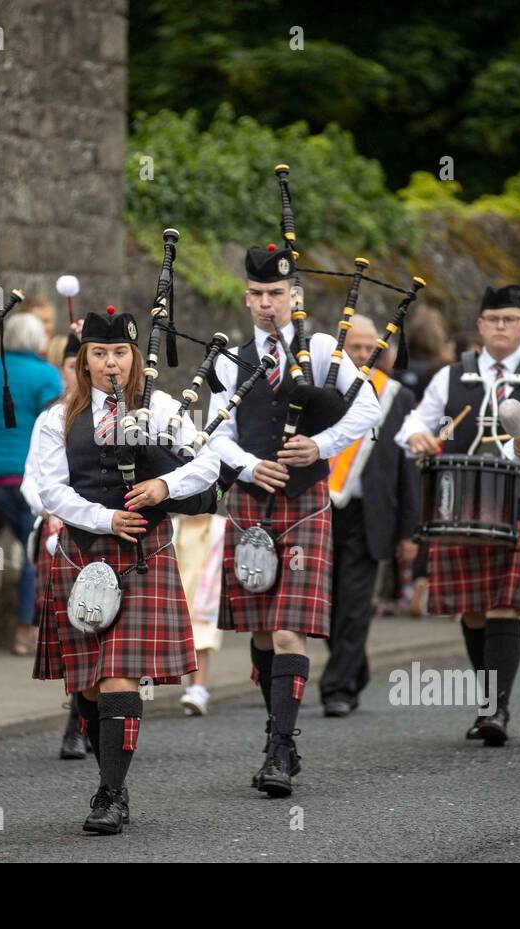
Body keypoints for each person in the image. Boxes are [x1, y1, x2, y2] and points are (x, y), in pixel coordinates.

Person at [31, 308, 220, 834]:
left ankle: (110, 793)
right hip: (83, 551)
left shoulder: (160, 406)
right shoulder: (58, 417)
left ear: (135, 358)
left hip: (142, 554)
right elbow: (52, 490)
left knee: (117, 675)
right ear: (83, 361)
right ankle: (112, 776)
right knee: (89, 687)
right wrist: (106, 518)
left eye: (119, 353)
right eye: (99, 353)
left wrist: (164, 487)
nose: (110, 363)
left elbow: (208, 460)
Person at [207, 245, 380, 797]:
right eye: (256, 294)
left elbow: (366, 407)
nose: (266, 304)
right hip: (251, 500)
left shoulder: (324, 347)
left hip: (304, 500)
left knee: (287, 629)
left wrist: (320, 445)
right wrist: (250, 464)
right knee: (261, 630)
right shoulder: (228, 361)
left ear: (294, 296)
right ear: (246, 297)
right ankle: (279, 731)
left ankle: (280, 748)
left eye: (275, 294)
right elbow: (214, 434)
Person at [396, 284, 520, 745]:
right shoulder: (452, 376)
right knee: (474, 608)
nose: (500, 328)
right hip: (459, 508)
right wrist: (417, 439)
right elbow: (413, 423)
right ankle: (489, 702)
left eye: (510, 320)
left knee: (504, 603)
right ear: (480, 326)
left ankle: (495, 709)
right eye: (492, 320)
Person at [322, 315, 420, 716]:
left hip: (373, 513)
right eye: (355, 347)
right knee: (326, 604)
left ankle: (338, 689)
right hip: (326, 509)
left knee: (356, 602)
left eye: (369, 348)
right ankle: (354, 668)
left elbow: (407, 470)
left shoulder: (396, 395)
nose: (363, 355)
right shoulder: (325, 391)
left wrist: (409, 532)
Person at [0, 311, 63, 655]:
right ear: (37, 342)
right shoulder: (46, 375)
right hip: (21, 478)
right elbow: (57, 427)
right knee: (34, 549)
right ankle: (24, 633)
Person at [22, 331, 92, 759]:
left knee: (94, 627)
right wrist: (49, 507)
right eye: (69, 366)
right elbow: (32, 478)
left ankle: (79, 721)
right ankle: (80, 713)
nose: (76, 373)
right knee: (74, 630)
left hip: (101, 531)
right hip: (59, 534)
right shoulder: (51, 417)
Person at [175, 511, 226, 716]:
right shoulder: (174, 527)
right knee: (186, 643)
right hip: (180, 590)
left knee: (201, 642)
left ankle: (198, 689)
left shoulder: (219, 527)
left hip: (207, 594)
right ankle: (192, 688)